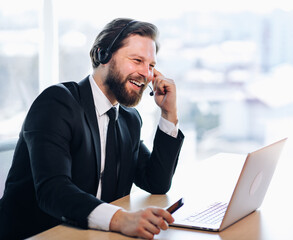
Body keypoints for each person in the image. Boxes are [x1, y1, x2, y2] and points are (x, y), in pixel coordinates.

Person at [0, 18, 184, 239]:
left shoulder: (129, 120)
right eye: (137, 60)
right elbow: (53, 191)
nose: (147, 74)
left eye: (152, 66)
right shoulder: (57, 103)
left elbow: (156, 182)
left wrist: (168, 114)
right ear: (103, 55)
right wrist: (120, 218)